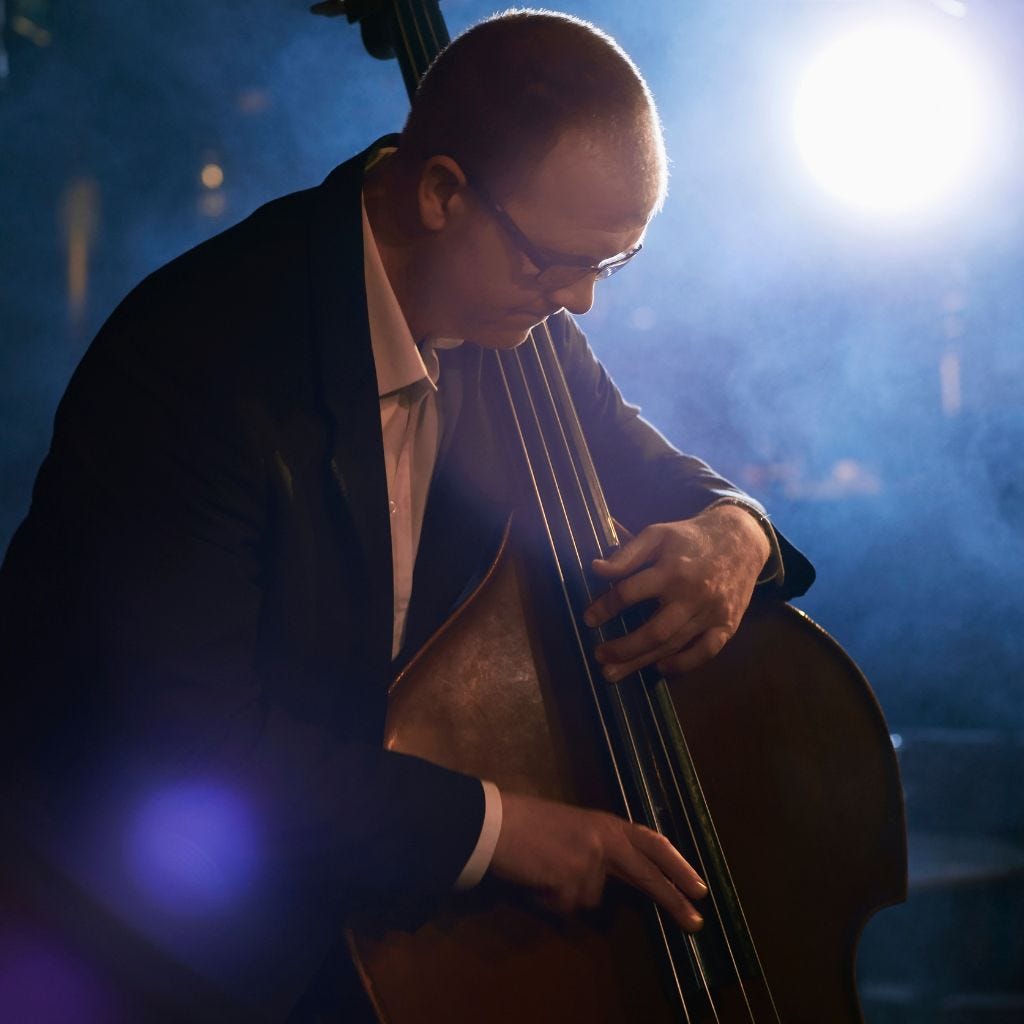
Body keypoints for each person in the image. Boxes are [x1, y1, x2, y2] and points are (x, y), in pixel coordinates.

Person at [0, 10, 814, 1022]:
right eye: (555, 263)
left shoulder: (517, 324)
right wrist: (504, 827)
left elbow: (670, 480)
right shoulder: (199, 365)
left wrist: (734, 535)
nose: (581, 306)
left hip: (355, 893)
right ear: (440, 193)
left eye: (611, 266)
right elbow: (194, 753)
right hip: (129, 936)